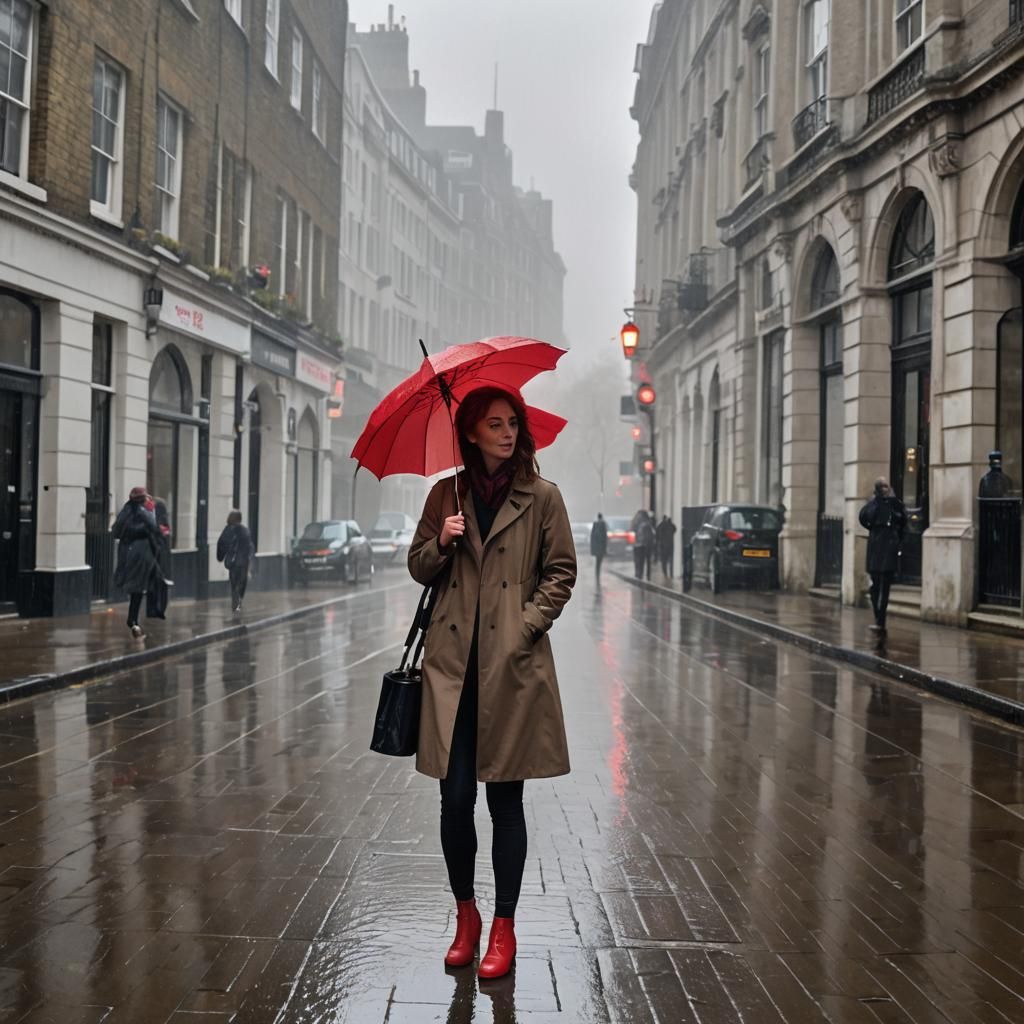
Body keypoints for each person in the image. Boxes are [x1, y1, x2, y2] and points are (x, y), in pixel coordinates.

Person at [408, 385, 576, 980]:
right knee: (455, 802)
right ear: (472, 433)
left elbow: (561, 572)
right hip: (453, 670)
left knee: (506, 802)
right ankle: (466, 917)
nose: (507, 432)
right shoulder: (444, 495)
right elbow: (418, 566)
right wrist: (442, 540)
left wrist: (525, 626)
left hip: (510, 669)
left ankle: (504, 928)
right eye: (495, 424)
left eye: (513, 423)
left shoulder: (543, 497)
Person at [858, 477, 907, 634]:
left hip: (889, 548)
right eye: (883, 487)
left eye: (887, 486)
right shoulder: (873, 504)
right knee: (875, 586)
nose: (886, 489)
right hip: (876, 548)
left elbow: (903, 521)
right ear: (878, 489)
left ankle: (881, 622)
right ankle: (878, 617)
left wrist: (897, 538)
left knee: (884, 587)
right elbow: (864, 518)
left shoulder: (895, 504)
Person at [111, 485, 160, 638]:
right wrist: (150, 510)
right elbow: (153, 527)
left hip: (127, 553)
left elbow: (116, 531)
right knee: (138, 589)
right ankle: (133, 621)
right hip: (140, 554)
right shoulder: (143, 511)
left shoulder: (126, 510)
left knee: (136, 589)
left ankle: (133, 621)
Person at [217, 510, 254, 612]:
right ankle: (238, 602)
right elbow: (249, 546)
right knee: (241, 583)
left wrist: (221, 556)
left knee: (234, 583)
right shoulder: (244, 530)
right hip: (243, 562)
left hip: (233, 562)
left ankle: (236, 603)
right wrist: (249, 560)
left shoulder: (228, 529)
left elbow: (221, 543)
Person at [145, 494, 173, 620]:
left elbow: (162, 536)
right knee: (153, 584)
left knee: (159, 583)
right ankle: (153, 610)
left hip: (159, 556)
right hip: (154, 556)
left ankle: (158, 609)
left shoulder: (160, 520)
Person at [632, 510, 655, 580]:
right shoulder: (647, 523)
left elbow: (634, 530)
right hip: (645, 545)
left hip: (639, 545)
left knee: (639, 560)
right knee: (646, 561)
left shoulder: (636, 521)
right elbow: (651, 535)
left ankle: (639, 574)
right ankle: (646, 575)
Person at [656, 514, 677, 579]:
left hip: (663, 545)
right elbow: (675, 529)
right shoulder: (670, 525)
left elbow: (657, 534)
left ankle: (665, 573)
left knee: (664, 560)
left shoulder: (661, 525)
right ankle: (671, 573)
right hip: (670, 544)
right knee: (670, 560)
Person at [590, 512, 608, 584]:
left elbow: (592, 536)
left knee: (598, 561)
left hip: (596, 547)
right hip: (601, 546)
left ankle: (597, 573)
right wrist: (605, 548)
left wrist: (592, 548)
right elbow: (604, 537)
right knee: (599, 560)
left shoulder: (595, 524)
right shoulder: (603, 524)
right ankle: (598, 573)